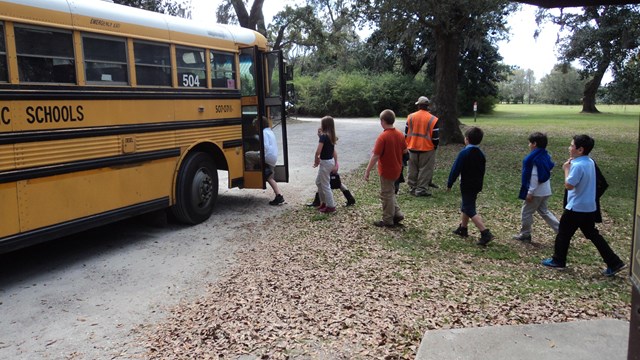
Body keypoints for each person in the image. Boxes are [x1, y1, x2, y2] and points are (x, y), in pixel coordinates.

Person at [541, 135, 626, 277]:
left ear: (580, 149)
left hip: (576, 207)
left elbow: (569, 185)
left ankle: (558, 260)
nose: (569, 148)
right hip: (589, 206)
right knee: (593, 234)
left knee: (563, 233)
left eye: (571, 145)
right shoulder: (590, 162)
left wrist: (566, 169)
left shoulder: (577, 165)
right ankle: (614, 262)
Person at [447, 127, 494, 246]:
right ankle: (463, 228)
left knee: (469, 208)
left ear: (466, 139)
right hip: (477, 184)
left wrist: (450, 182)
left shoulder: (464, 153)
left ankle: (485, 232)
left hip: (467, 184)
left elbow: (456, 168)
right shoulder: (480, 154)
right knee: (467, 205)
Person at [513, 132, 560, 243]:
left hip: (536, 192)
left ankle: (525, 234)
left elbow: (534, 177)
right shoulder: (546, 155)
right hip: (545, 190)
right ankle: (561, 230)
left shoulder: (533, 159)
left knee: (526, 212)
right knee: (544, 211)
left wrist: (530, 192)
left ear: (534, 144)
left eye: (530, 143)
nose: (528, 145)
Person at [364, 109, 407, 227]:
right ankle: (397, 214)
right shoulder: (400, 134)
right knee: (390, 192)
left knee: (386, 194)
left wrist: (367, 170)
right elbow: (405, 151)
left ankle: (388, 220)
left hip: (387, 170)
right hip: (397, 168)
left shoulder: (383, 137)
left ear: (383, 121)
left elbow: (375, 156)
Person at [307, 128, 356, 207]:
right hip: (330, 164)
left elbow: (334, 153)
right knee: (324, 182)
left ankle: (322, 202)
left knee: (329, 182)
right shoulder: (326, 139)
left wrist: (336, 165)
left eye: (319, 132)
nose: (318, 134)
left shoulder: (326, 139)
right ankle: (349, 198)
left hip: (330, 164)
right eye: (317, 132)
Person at [405, 96, 439, 197]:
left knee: (412, 169)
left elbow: (406, 133)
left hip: (412, 146)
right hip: (427, 148)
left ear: (418, 105)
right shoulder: (433, 119)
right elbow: (435, 137)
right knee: (425, 170)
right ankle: (421, 190)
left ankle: (412, 187)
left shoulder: (410, 117)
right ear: (427, 106)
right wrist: (435, 146)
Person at [245, 117, 284, 206]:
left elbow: (265, 146)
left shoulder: (263, 133)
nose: (255, 128)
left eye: (256, 126)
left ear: (259, 125)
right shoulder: (270, 131)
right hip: (273, 157)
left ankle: (251, 174)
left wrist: (259, 154)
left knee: (247, 155)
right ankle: (279, 196)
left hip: (266, 156)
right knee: (270, 177)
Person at [313, 116, 338, 213]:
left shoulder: (324, 137)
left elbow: (318, 151)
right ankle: (323, 202)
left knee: (325, 185)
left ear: (324, 125)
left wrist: (316, 161)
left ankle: (331, 206)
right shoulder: (331, 135)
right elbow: (332, 151)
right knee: (319, 182)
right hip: (329, 162)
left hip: (325, 162)